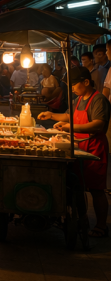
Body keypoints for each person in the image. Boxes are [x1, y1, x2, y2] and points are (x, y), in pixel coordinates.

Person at [38, 67, 109, 238]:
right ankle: (82, 219)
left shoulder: (98, 100)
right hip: (77, 148)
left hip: (94, 149)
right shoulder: (78, 99)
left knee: (96, 189)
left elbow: (98, 124)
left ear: (86, 82)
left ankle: (101, 225)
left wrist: (71, 127)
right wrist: (51, 115)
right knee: (78, 187)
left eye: (74, 84)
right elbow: (69, 116)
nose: (72, 88)